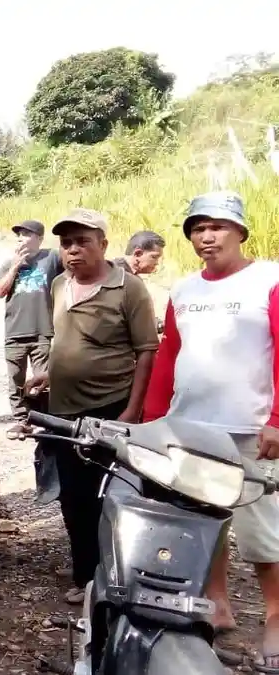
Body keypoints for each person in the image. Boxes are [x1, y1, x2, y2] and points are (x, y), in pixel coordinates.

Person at [142, 191, 279, 672]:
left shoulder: (270, 279)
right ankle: (217, 605)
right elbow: (168, 357)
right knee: (205, 522)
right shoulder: (184, 290)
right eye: (197, 228)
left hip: (249, 428)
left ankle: (276, 617)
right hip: (191, 427)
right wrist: (152, 420)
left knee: (261, 527)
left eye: (217, 226)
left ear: (240, 231)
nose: (206, 236)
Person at [24, 208, 158, 604]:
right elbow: (65, 340)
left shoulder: (129, 289)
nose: (73, 250)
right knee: (72, 496)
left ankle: (111, 578)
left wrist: (132, 411)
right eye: (66, 243)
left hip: (110, 408)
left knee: (108, 498)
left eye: (83, 241)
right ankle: (85, 575)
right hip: (64, 410)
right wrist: (47, 374)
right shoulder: (60, 285)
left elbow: (146, 352)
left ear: (103, 244)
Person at [0, 220, 63, 439]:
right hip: (15, 331)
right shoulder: (8, 263)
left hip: (43, 329)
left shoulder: (51, 258)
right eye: (19, 235)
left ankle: (44, 419)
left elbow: (72, 264)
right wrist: (15, 266)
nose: (20, 238)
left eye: (26, 234)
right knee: (15, 378)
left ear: (39, 239)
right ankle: (21, 420)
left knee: (43, 379)